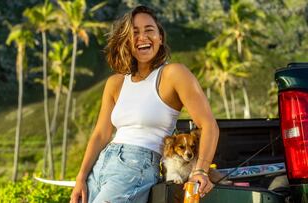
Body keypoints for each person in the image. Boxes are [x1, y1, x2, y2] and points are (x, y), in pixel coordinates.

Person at [70, 5, 219, 203]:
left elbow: (209, 125)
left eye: (149, 30)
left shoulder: (174, 74)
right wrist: (80, 178)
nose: (142, 37)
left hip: (136, 167)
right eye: (135, 33)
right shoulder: (115, 83)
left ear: (160, 37)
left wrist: (200, 170)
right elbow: (100, 134)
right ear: (127, 41)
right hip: (101, 166)